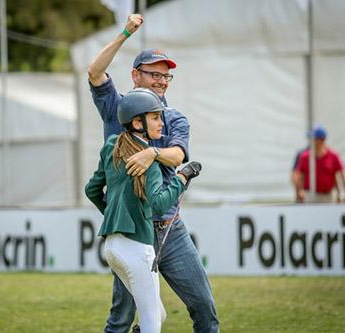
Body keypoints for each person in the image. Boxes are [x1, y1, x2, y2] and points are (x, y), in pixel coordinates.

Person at [88, 13, 219, 333]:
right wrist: (124, 33)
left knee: (204, 309)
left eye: (166, 77)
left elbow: (177, 156)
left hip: (171, 229)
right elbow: (94, 71)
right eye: (154, 75)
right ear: (135, 76)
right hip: (133, 232)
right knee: (120, 320)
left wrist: (151, 153)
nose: (161, 81)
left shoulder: (175, 118)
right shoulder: (119, 110)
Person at [86, 88, 202, 333]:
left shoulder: (111, 146)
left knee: (158, 313)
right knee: (152, 325)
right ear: (137, 122)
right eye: (156, 117)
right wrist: (182, 176)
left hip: (112, 249)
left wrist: (115, 215)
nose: (162, 123)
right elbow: (159, 204)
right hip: (136, 251)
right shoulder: (148, 162)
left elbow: (91, 190)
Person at [293, 125, 345, 203]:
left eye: (313, 139)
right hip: (310, 196)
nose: (311, 141)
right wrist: (299, 191)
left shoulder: (333, 155)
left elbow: (342, 175)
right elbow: (299, 176)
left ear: (321, 140)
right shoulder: (305, 156)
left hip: (328, 196)